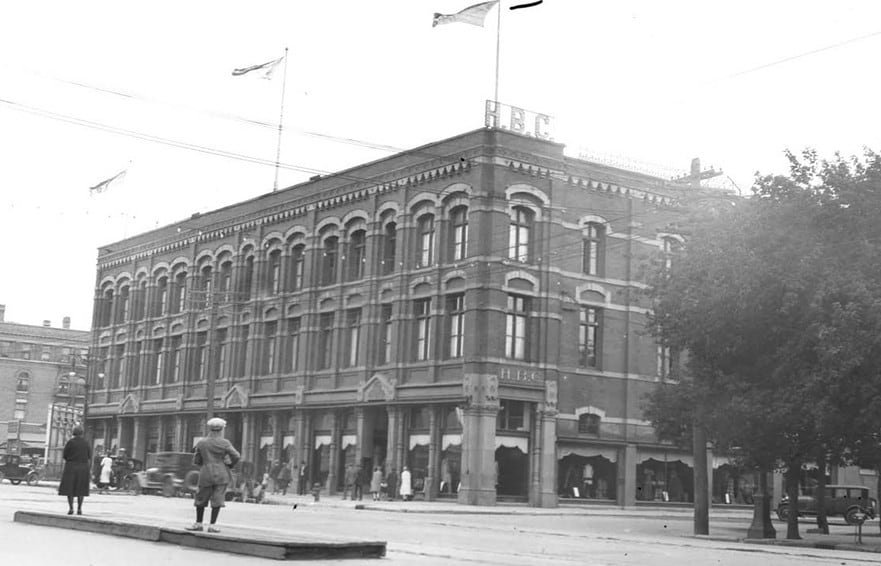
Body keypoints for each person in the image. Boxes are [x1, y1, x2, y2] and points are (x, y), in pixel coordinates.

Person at [186, 417, 240, 533]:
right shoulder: (225, 443)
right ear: (221, 429)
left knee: (201, 498)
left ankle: (198, 523)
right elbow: (236, 456)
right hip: (221, 473)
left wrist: (202, 463)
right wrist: (230, 465)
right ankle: (212, 525)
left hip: (205, 473)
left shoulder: (201, 442)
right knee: (218, 499)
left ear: (209, 428)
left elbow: (196, 460)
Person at [58, 425, 91, 515]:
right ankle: (79, 508)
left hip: (71, 466)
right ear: (82, 433)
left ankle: (71, 508)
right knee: (81, 489)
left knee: (70, 488)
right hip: (83, 467)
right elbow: (89, 456)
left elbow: (65, 455)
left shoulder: (70, 442)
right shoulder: (86, 443)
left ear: (73, 432)